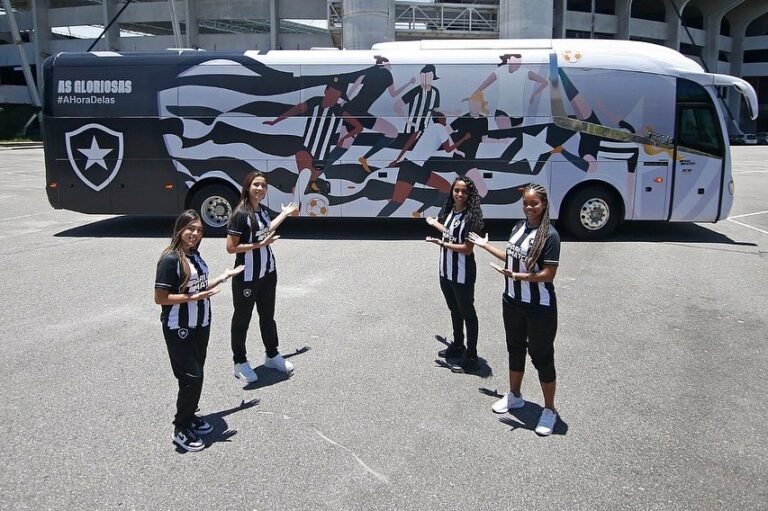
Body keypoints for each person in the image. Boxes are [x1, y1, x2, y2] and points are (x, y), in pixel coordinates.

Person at [468, 183, 561, 436]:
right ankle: (515, 396)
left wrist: (518, 277)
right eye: (526, 203)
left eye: (534, 203)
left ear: (544, 205)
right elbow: (511, 259)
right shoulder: (518, 227)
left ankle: (549, 410)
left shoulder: (550, 236)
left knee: (542, 356)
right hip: (511, 301)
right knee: (515, 348)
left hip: (539, 306)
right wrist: (485, 245)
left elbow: (548, 274)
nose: (529, 207)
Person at [155, 210, 244, 452]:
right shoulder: (171, 259)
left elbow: (200, 285)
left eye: (199, 230)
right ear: (179, 230)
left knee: (196, 375)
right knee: (191, 377)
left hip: (201, 323)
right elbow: (160, 298)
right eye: (190, 229)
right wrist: (196, 296)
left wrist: (224, 277)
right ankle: (180, 428)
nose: (195, 234)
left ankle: (191, 416)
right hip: (179, 326)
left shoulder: (193, 255)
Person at [227, 171, 299, 383]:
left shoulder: (262, 211)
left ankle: (272, 354)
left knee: (268, 316)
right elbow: (231, 248)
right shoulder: (240, 214)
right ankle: (239, 362)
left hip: (267, 272)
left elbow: (267, 229)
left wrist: (284, 214)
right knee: (242, 319)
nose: (260, 189)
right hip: (247, 276)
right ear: (247, 187)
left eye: (263, 185)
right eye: (256, 185)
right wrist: (259, 245)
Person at [425, 176, 484, 372]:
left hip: (463, 274)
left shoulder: (471, 217)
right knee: (454, 310)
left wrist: (440, 243)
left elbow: (467, 248)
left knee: (468, 313)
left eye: (464, 191)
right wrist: (435, 224)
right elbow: (449, 232)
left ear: (470, 195)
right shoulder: (451, 212)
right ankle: (458, 344)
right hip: (446, 271)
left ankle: (471, 355)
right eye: (456, 190)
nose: (459, 194)